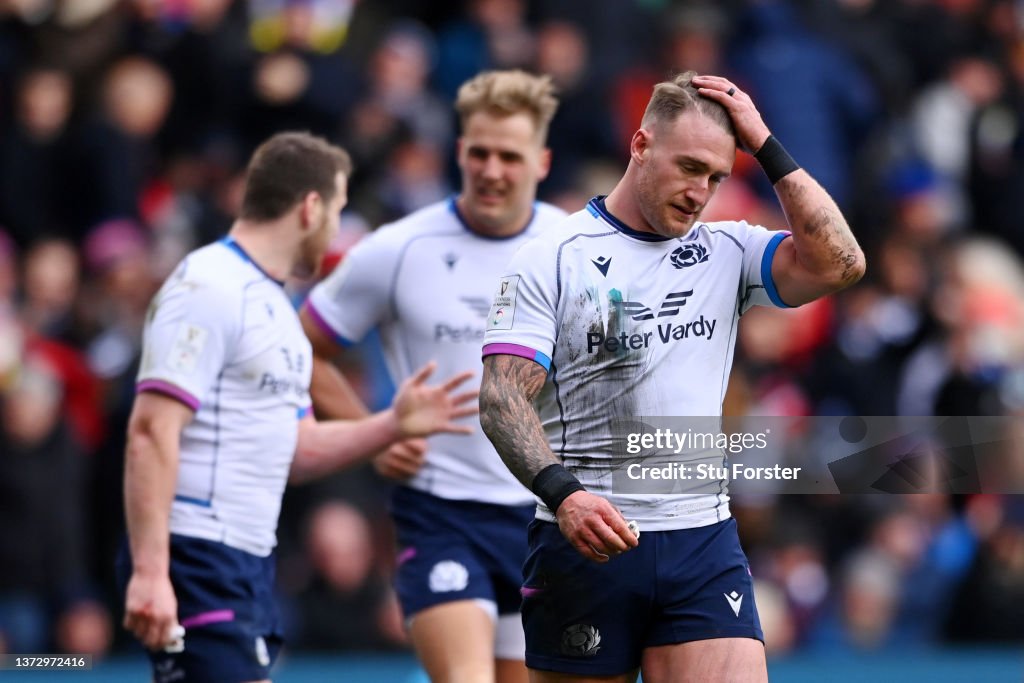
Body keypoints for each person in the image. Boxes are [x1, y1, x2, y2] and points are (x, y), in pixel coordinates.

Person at [478, 71, 866, 682]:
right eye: (688, 167)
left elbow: (841, 262)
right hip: (585, 541)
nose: (700, 191)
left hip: (701, 541)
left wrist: (764, 143)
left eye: (715, 177)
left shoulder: (727, 252)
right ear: (640, 146)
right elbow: (501, 401)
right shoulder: (552, 256)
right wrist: (565, 495)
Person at [120, 131, 478, 683]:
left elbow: (300, 449)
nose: (336, 230)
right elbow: (150, 430)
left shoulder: (279, 310)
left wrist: (388, 425)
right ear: (311, 208)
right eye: (337, 211)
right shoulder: (209, 285)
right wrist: (150, 572)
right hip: (196, 554)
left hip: (245, 560)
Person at [300, 70, 564, 683]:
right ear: (458, 152)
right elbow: (300, 345)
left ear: (542, 161)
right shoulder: (400, 248)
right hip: (440, 512)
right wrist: (373, 431)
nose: (492, 169)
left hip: (545, 515)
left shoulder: (574, 246)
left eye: (510, 156)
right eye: (480, 152)